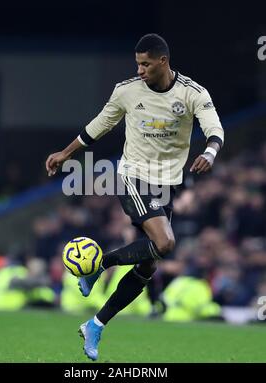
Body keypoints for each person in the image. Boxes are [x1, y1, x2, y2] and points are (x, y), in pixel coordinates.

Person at [46, 33, 224, 360]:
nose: (140, 70)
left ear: (162, 62)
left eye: (145, 64)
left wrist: (210, 153)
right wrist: (67, 153)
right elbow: (99, 125)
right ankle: (99, 265)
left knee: (148, 266)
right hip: (133, 176)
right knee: (166, 244)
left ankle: (96, 324)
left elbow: (214, 127)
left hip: (167, 185)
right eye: (137, 64)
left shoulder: (191, 93)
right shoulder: (127, 91)